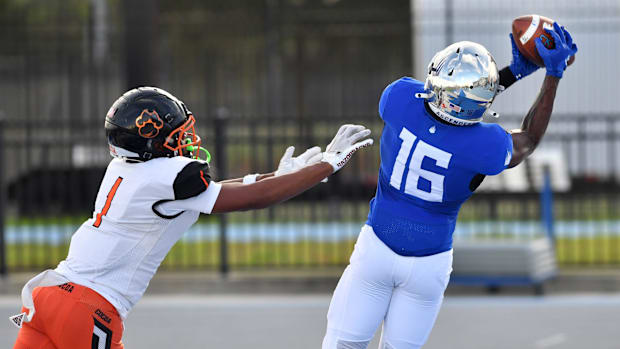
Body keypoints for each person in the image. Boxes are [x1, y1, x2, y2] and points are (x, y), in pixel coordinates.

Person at [10, 86, 373, 349]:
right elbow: (252, 199)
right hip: (87, 307)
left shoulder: (125, 168)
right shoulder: (168, 176)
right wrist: (328, 164)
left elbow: (219, 190)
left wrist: (279, 175)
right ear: (153, 141)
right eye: (179, 132)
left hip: (51, 293)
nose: (187, 138)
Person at [322, 22, 578, 349]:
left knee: (342, 344)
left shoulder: (399, 99)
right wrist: (552, 75)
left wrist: (511, 72)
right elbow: (528, 139)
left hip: (377, 250)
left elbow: (447, 100)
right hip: (429, 264)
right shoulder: (484, 145)